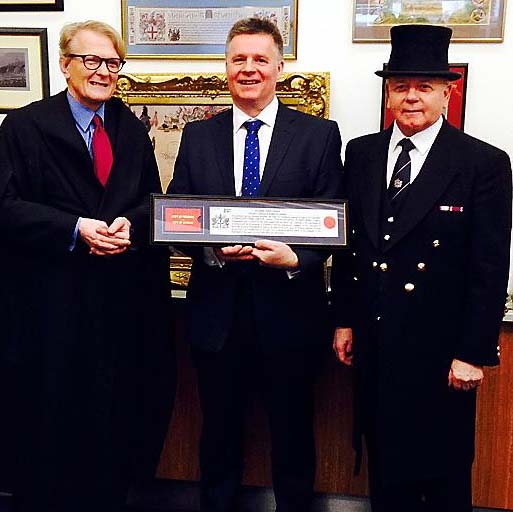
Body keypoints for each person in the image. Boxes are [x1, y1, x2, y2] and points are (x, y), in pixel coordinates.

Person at [330, 24, 512, 512]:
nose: (411, 97)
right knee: (386, 472)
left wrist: (473, 352)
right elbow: (352, 247)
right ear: (388, 92)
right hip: (376, 344)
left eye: (424, 86)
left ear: (447, 93)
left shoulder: (482, 163)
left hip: (441, 355)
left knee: (444, 476)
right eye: (400, 85)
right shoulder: (362, 153)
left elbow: (489, 265)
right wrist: (345, 318)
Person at [167, 17, 343, 512]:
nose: (248, 69)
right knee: (218, 437)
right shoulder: (197, 136)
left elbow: (335, 222)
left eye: (259, 59)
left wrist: (296, 259)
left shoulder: (319, 135)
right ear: (225, 67)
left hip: (290, 317)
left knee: (293, 437)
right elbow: (179, 218)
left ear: (279, 66)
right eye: (238, 59)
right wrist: (209, 250)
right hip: (216, 319)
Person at [0, 20, 175, 512]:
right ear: (65, 64)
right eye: (91, 60)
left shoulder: (132, 130)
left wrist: (129, 226)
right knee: (53, 424)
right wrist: (76, 229)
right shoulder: (24, 127)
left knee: (113, 422)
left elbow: (152, 204)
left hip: (119, 309)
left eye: (113, 63)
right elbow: (5, 206)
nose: (103, 71)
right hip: (50, 310)